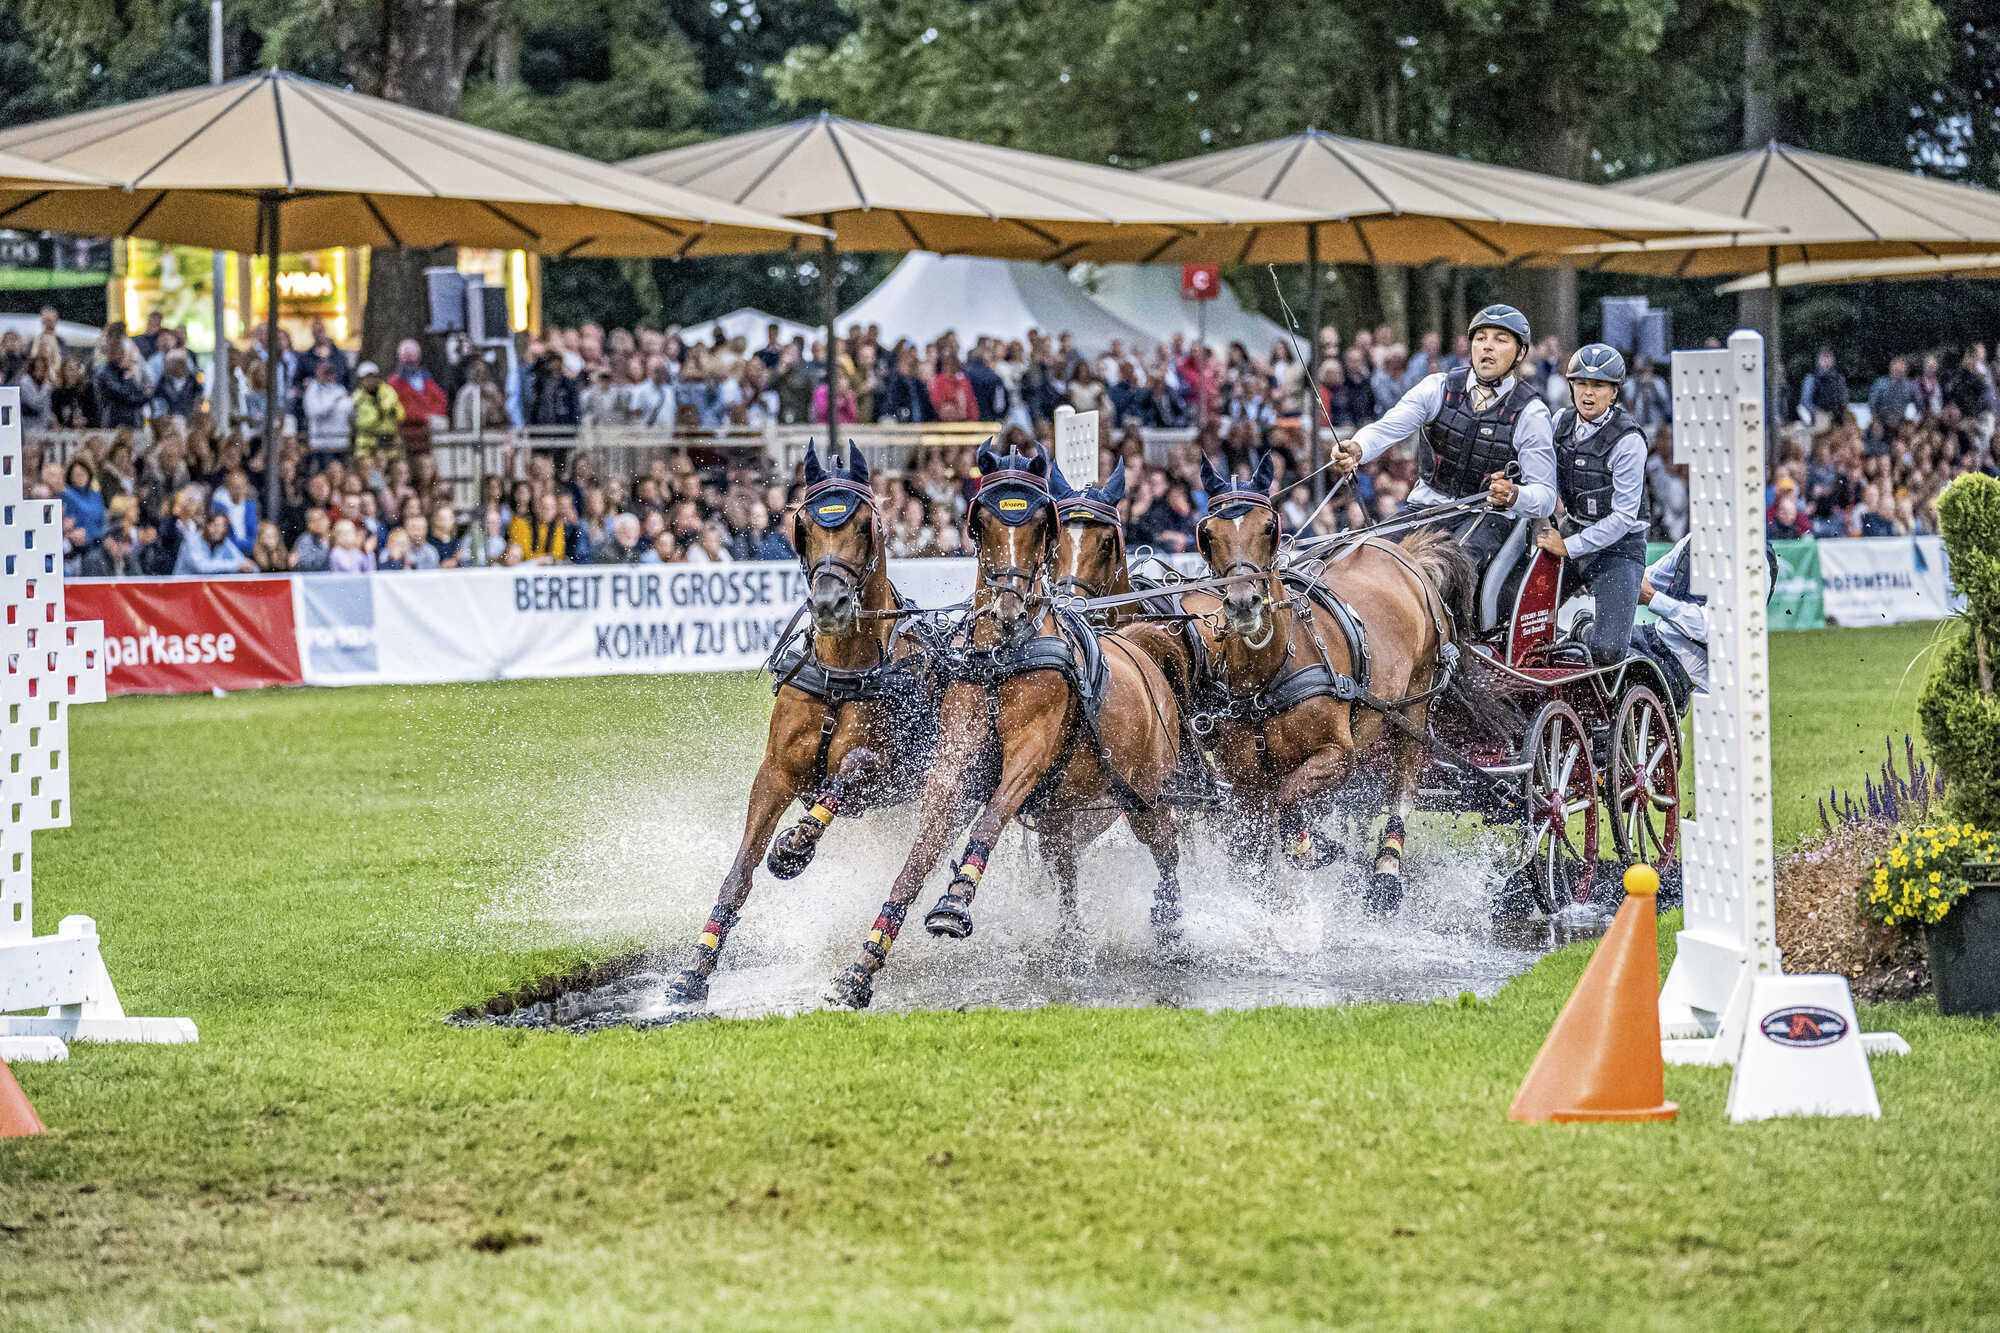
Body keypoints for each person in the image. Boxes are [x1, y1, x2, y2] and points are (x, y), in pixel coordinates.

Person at [1335, 304, 1557, 569]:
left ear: (1521, 353)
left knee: (1443, 569)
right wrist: (1358, 447)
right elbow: (1386, 427)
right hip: (1425, 510)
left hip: (1488, 520)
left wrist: (1514, 495)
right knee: (1364, 559)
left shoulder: (1532, 413)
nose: (1487, 346)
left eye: (1500, 340)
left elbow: (1545, 496)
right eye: (1480, 338)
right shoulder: (1437, 387)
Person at [1535, 345, 1650, 666]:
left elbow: (1624, 517)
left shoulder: (1629, 441)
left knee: (1608, 651)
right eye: (1581, 384)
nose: (1588, 393)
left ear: (1613, 392)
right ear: (1571, 385)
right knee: (1515, 616)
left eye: (1598, 386)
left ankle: (1580, 627)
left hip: (1619, 549)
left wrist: (1568, 547)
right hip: (1571, 529)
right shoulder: (1559, 421)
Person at [388, 339, 446, 453]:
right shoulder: (394, 384)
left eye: (412, 360)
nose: (410, 364)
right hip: (409, 428)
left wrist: (431, 415)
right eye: (406, 360)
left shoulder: (427, 380)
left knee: (441, 423)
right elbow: (398, 408)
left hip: (429, 427)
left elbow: (441, 400)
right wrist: (422, 415)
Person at [175, 510, 256, 575]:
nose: (218, 530)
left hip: (205, 590)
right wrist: (235, 566)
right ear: (206, 525)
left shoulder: (224, 541)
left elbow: (244, 563)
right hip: (182, 588)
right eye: (215, 525)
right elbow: (202, 567)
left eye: (222, 526)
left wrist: (248, 566)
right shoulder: (193, 540)